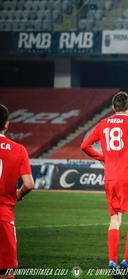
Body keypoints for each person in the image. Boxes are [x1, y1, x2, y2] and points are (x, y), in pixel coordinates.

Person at [81, 91, 128, 278]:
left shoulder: (103, 124)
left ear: (113, 107)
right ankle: (126, 263)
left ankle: (112, 261)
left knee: (114, 220)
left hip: (110, 177)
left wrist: (103, 158)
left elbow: (84, 146)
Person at [0, 104, 34, 279]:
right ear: (6, 125)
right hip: (3, 215)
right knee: (6, 272)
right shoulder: (18, 149)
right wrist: (18, 194)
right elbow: (29, 184)